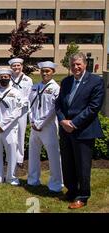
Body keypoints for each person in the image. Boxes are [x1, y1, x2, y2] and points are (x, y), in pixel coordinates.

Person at [56, 52, 104, 209]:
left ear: (84, 64)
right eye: (73, 65)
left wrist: (74, 123)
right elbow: (59, 104)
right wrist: (63, 120)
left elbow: (94, 107)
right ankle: (71, 191)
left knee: (82, 165)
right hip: (65, 130)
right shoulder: (66, 81)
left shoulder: (96, 81)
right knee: (68, 163)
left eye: (78, 64)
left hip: (83, 130)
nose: (75, 67)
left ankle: (82, 196)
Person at [28, 61, 63, 193]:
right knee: (33, 154)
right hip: (34, 125)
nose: (44, 73)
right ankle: (33, 179)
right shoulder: (35, 87)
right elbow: (29, 105)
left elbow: (54, 108)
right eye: (43, 71)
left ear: (53, 72)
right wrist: (32, 121)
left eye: (47, 71)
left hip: (48, 126)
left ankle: (56, 183)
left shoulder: (56, 88)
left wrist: (41, 123)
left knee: (53, 156)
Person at [8, 58, 33, 166]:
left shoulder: (27, 80)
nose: (16, 68)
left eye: (18, 65)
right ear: (11, 67)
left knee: (20, 134)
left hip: (22, 111)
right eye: (14, 66)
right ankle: (10, 157)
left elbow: (29, 95)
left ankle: (19, 158)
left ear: (22, 66)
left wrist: (21, 104)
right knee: (10, 134)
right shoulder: (8, 79)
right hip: (10, 111)